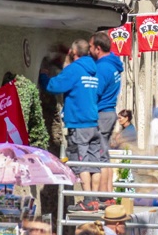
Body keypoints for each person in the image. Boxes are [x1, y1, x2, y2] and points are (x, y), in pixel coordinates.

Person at [42, 39, 101, 212]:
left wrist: (44, 75)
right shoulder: (94, 69)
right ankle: (95, 199)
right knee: (93, 163)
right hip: (93, 121)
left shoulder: (76, 69)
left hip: (79, 122)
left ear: (74, 53)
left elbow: (55, 86)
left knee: (80, 161)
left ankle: (87, 200)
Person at [89, 31, 125, 207]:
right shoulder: (113, 64)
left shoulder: (103, 67)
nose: (89, 50)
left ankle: (103, 196)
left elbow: (95, 92)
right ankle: (108, 194)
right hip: (109, 111)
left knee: (99, 157)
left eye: (90, 47)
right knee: (105, 156)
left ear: (97, 48)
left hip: (102, 113)